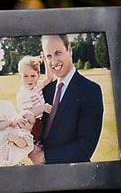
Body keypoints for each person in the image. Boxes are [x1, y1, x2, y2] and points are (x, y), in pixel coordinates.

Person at [35, 33, 103, 164]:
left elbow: (85, 148)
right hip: (44, 176)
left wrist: (44, 157)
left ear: (69, 50)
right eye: (49, 56)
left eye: (58, 53)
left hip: (73, 176)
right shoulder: (47, 90)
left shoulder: (91, 90)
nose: (54, 62)